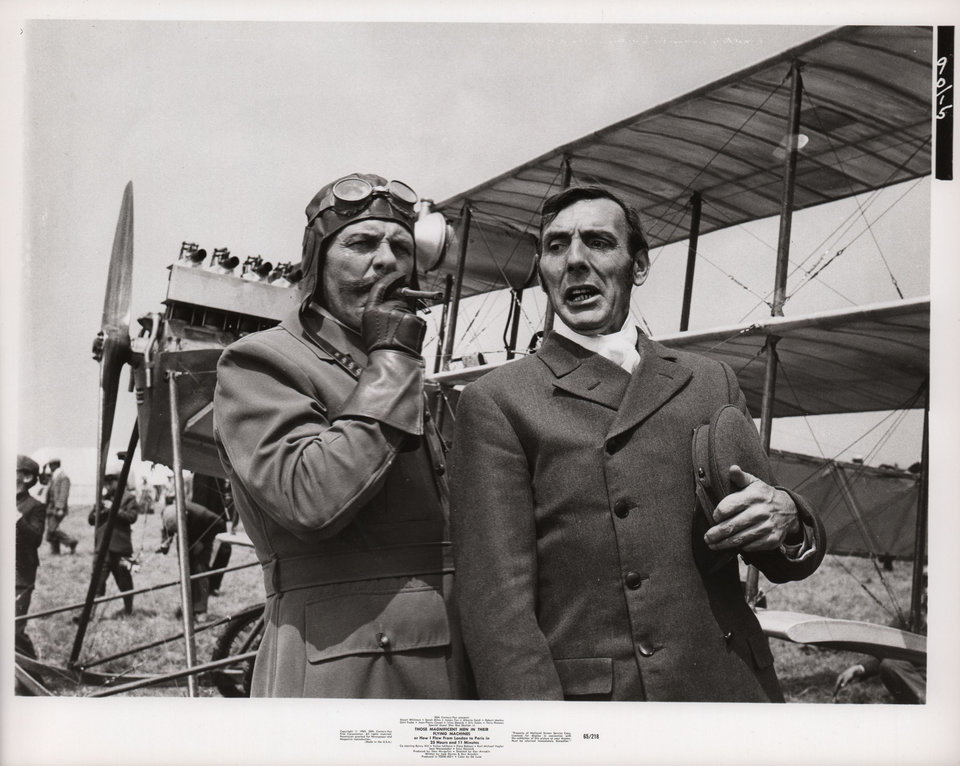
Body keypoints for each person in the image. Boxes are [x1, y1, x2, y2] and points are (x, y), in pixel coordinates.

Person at [450, 185, 826, 702]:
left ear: (639, 265)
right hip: (606, 711)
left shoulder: (711, 380)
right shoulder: (498, 400)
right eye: (557, 246)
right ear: (542, 272)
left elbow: (786, 559)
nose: (575, 260)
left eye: (599, 242)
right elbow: (498, 611)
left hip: (731, 690)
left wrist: (786, 516)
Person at [213, 173, 469, 698]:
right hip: (348, 673)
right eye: (361, 243)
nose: (387, 261)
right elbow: (311, 497)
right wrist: (395, 358)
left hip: (449, 665)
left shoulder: (391, 367)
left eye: (401, 246)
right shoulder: (261, 360)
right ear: (318, 266)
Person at [158, 495, 226, 621]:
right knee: (185, 572)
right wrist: (165, 542)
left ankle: (200, 610)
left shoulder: (201, 513)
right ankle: (187, 605)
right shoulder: (168, 512)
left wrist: (203, 542)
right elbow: (167, 529)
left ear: (185, 515)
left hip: (202, 539)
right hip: (184, 539)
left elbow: (220, 524)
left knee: (200, 572)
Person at [88, 467, 140, 616]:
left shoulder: (128, 497)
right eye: (106, 481)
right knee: (97, 581)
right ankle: (89, 615)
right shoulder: (102, 499)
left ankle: (128, 610)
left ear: (120, 481)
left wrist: (113, 510)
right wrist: (99, 509)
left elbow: (132, 517)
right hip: (102, 548)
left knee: (124, 581)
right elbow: (91, 520)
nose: (108, 484)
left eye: (111, 481)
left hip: (120, 548)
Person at [16, 455, 47, 657]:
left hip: (20, 577)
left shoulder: (35, 506)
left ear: (26, 477)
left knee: (14, 631)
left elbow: (36, 538)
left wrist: (16, 518)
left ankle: (34, 684)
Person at [43, 457, 77, 554]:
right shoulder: (54, 476)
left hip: (57, 509)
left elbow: (63, 494)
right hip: (50, 508)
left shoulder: (63, 477)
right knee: (52, 531)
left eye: (50, 465)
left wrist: (60, 508)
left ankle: (71, 542)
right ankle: (55, 552)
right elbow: (44, 479)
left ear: (54, 465)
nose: (49, 467)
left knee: (52, 530)